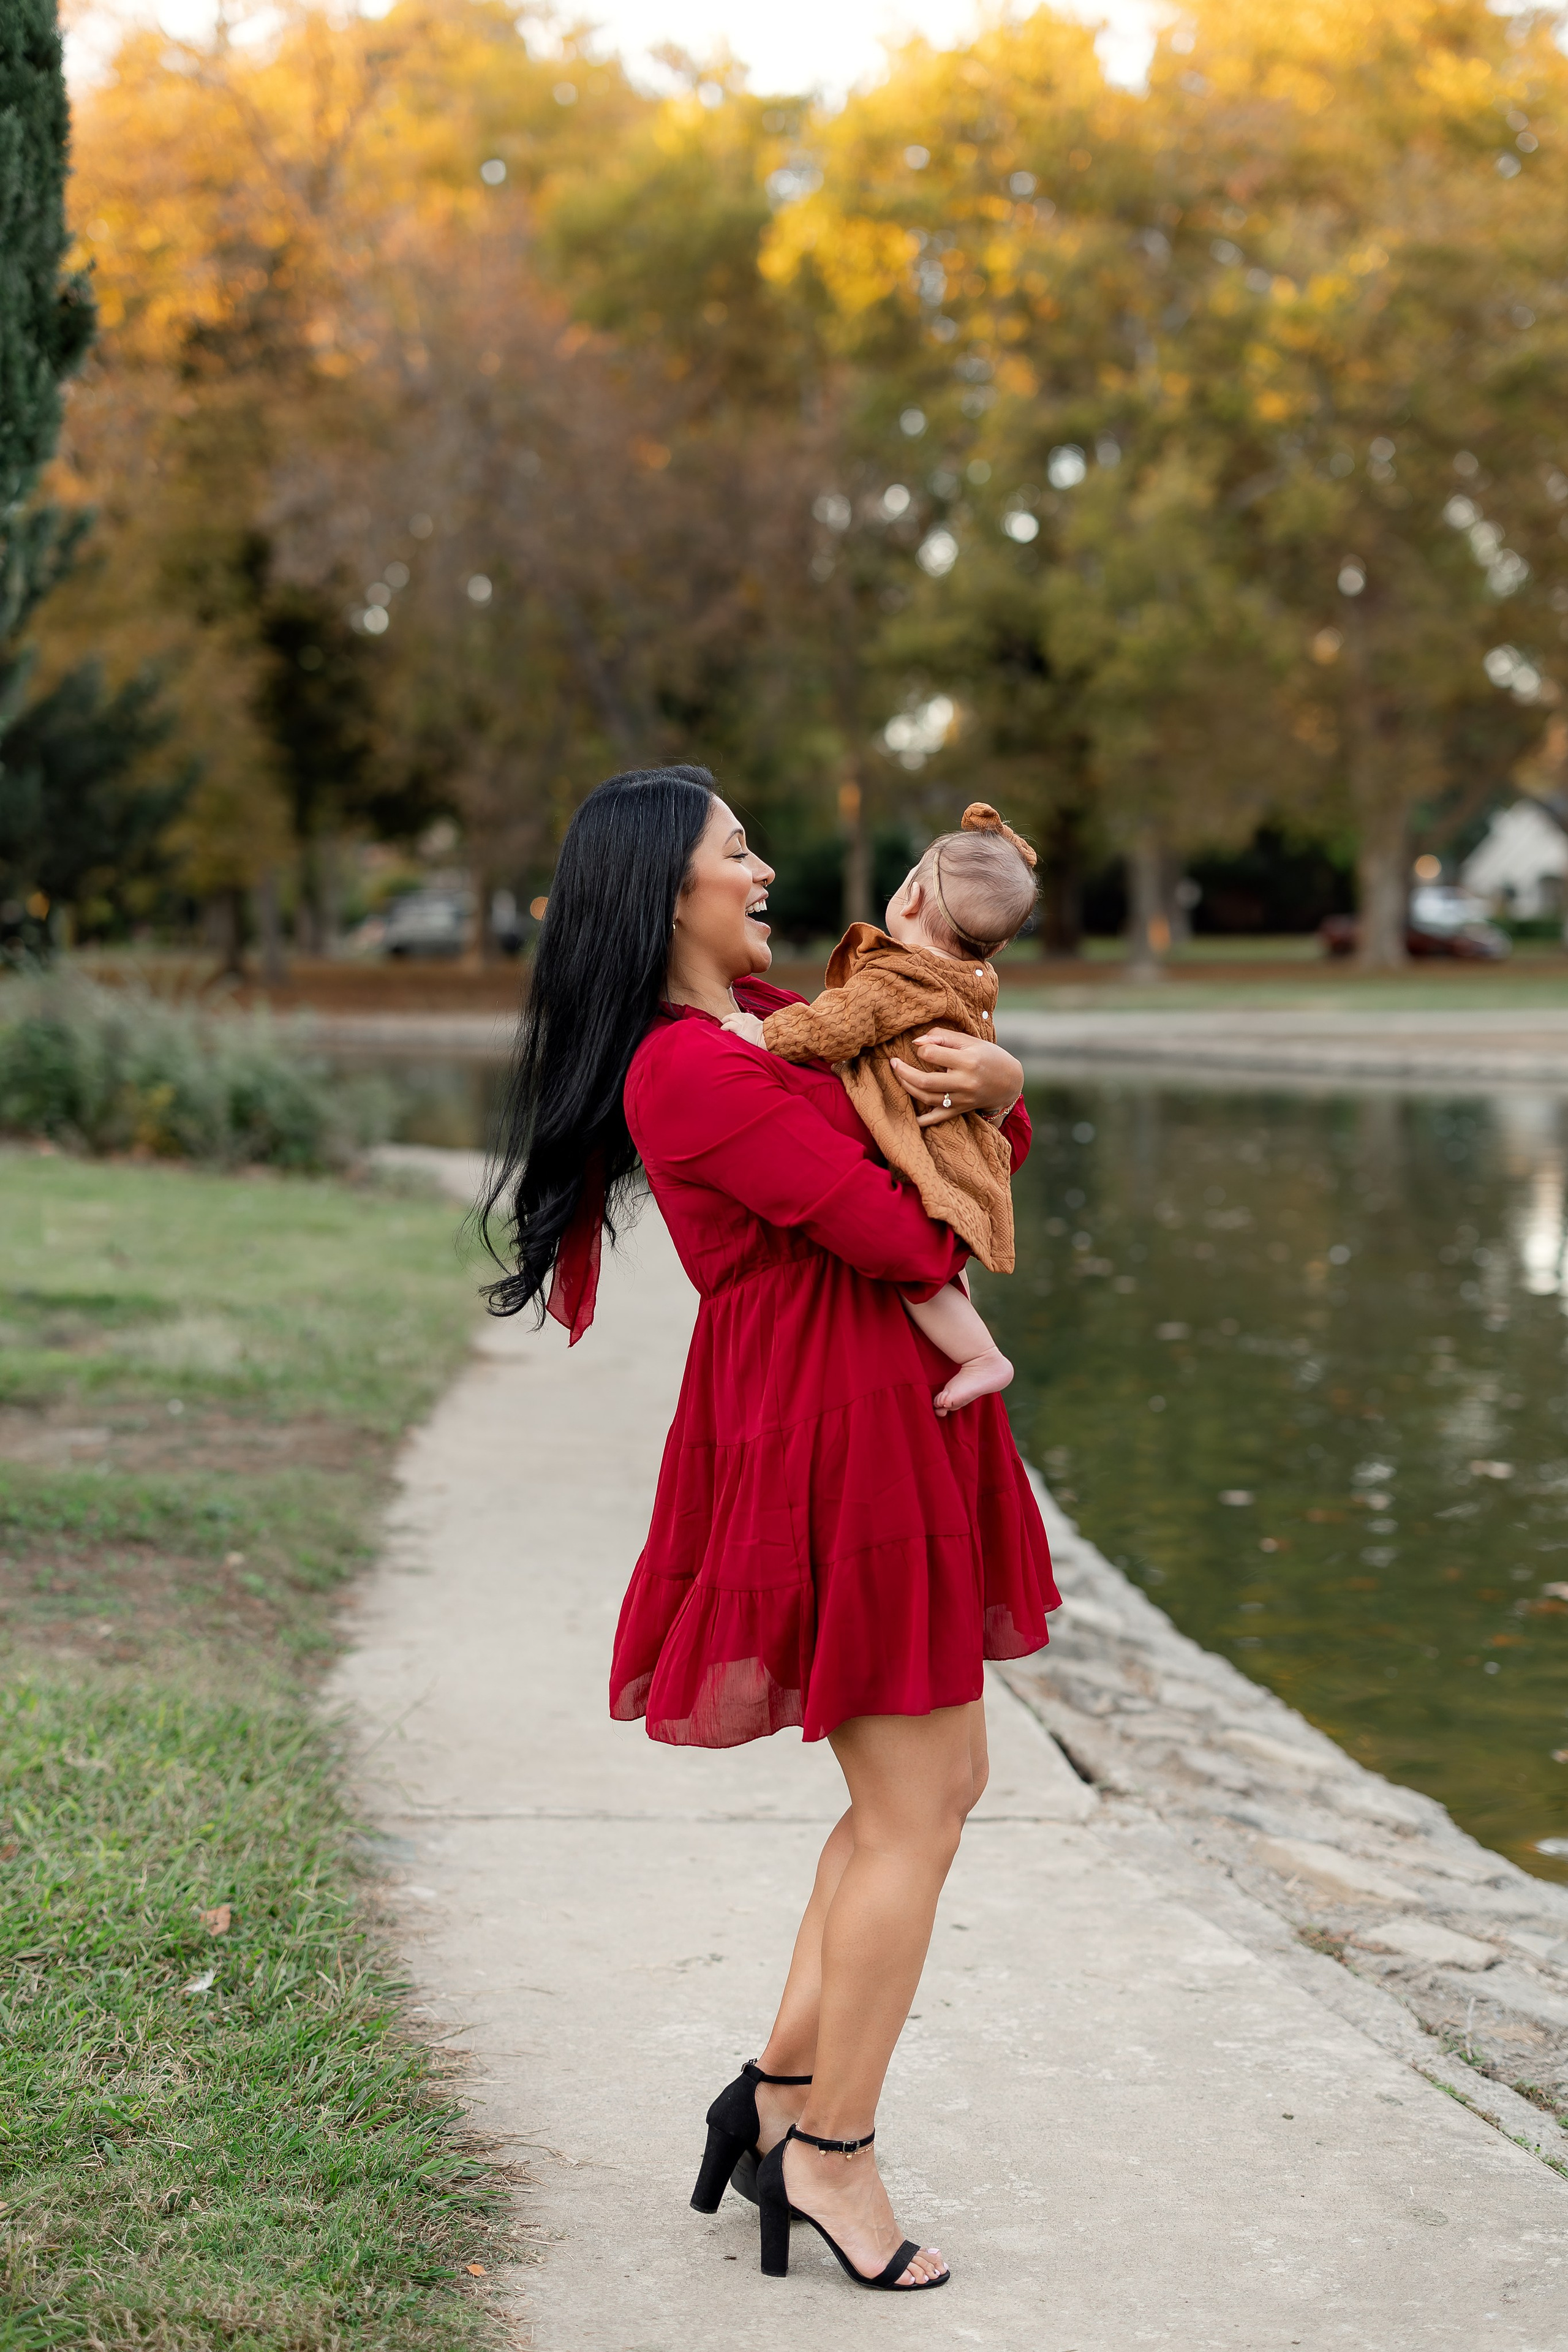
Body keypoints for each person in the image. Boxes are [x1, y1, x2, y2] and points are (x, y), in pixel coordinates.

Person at [481, 764, 1058, 2296]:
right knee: (917, 1794)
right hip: (834, 1424)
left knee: (921, 1789)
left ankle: (775, 2102)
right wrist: (970, 1117)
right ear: (664, 888)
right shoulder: (686, 1068)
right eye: (737, 851)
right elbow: (897, 1228)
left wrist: (1002, 1093)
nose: (763, 869)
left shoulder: (784, 1021)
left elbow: (943, 1152)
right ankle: (828, 2148)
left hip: (882, 1404)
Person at [720, 801, 1038, 1416]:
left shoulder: (896, 975)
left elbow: (837, 1025)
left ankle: (980, 1356)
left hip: (925, 1145)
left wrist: (763, 1036)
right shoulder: (968, 978)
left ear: (910, 899)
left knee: (921, 1275)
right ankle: (971, 1346)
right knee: (942, 1269)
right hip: (961, 1142)